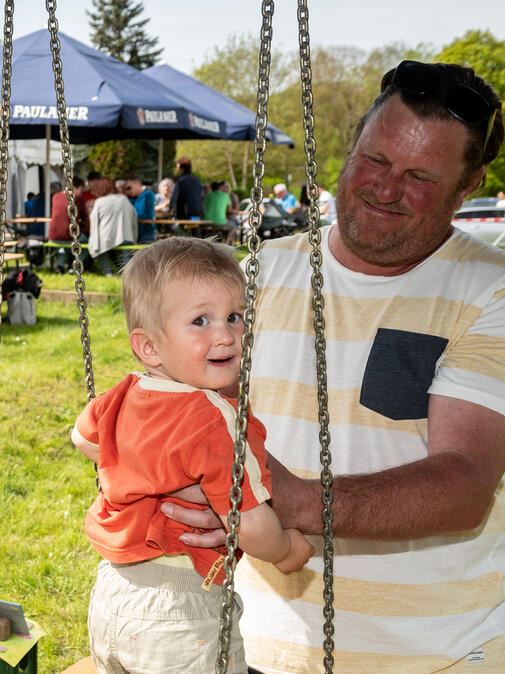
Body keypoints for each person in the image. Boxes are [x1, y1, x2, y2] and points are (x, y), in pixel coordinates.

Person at [160, 60, 505, 672]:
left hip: (429, 657)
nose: (385, 189)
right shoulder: (252, 275)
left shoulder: (503, 293)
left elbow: (464, 483)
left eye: (420, 177)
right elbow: (181, 410)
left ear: (469, 186)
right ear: (353, 141)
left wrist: (282, 497)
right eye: (375, 160)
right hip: (251, 643)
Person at [74, 239, 312, 673]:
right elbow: (249, 523)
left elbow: (83, 438)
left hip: (112, 592)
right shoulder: (215, 417)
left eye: (235, 317)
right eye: (200, 320)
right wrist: (286, 551)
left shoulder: (123, 394)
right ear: (149, 347)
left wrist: (142, 467)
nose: (225, 335)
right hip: (182, 610)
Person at [88, 179, 137, 274]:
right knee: (125, 253)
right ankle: (126, 273)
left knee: (98, 249)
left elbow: (93, 220)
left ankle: (108, 273)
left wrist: (94, 239)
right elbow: (134, 216)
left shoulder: (99, 202)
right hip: (125, 236)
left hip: (105, 238)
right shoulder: (123, 199)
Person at [126, 178, 157, 242]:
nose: (128, 190)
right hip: (134, 232)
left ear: (137, 184)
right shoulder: (131, 198)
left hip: (146, 233)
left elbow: (149, 215)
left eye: (129, 188)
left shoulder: (148, 195)